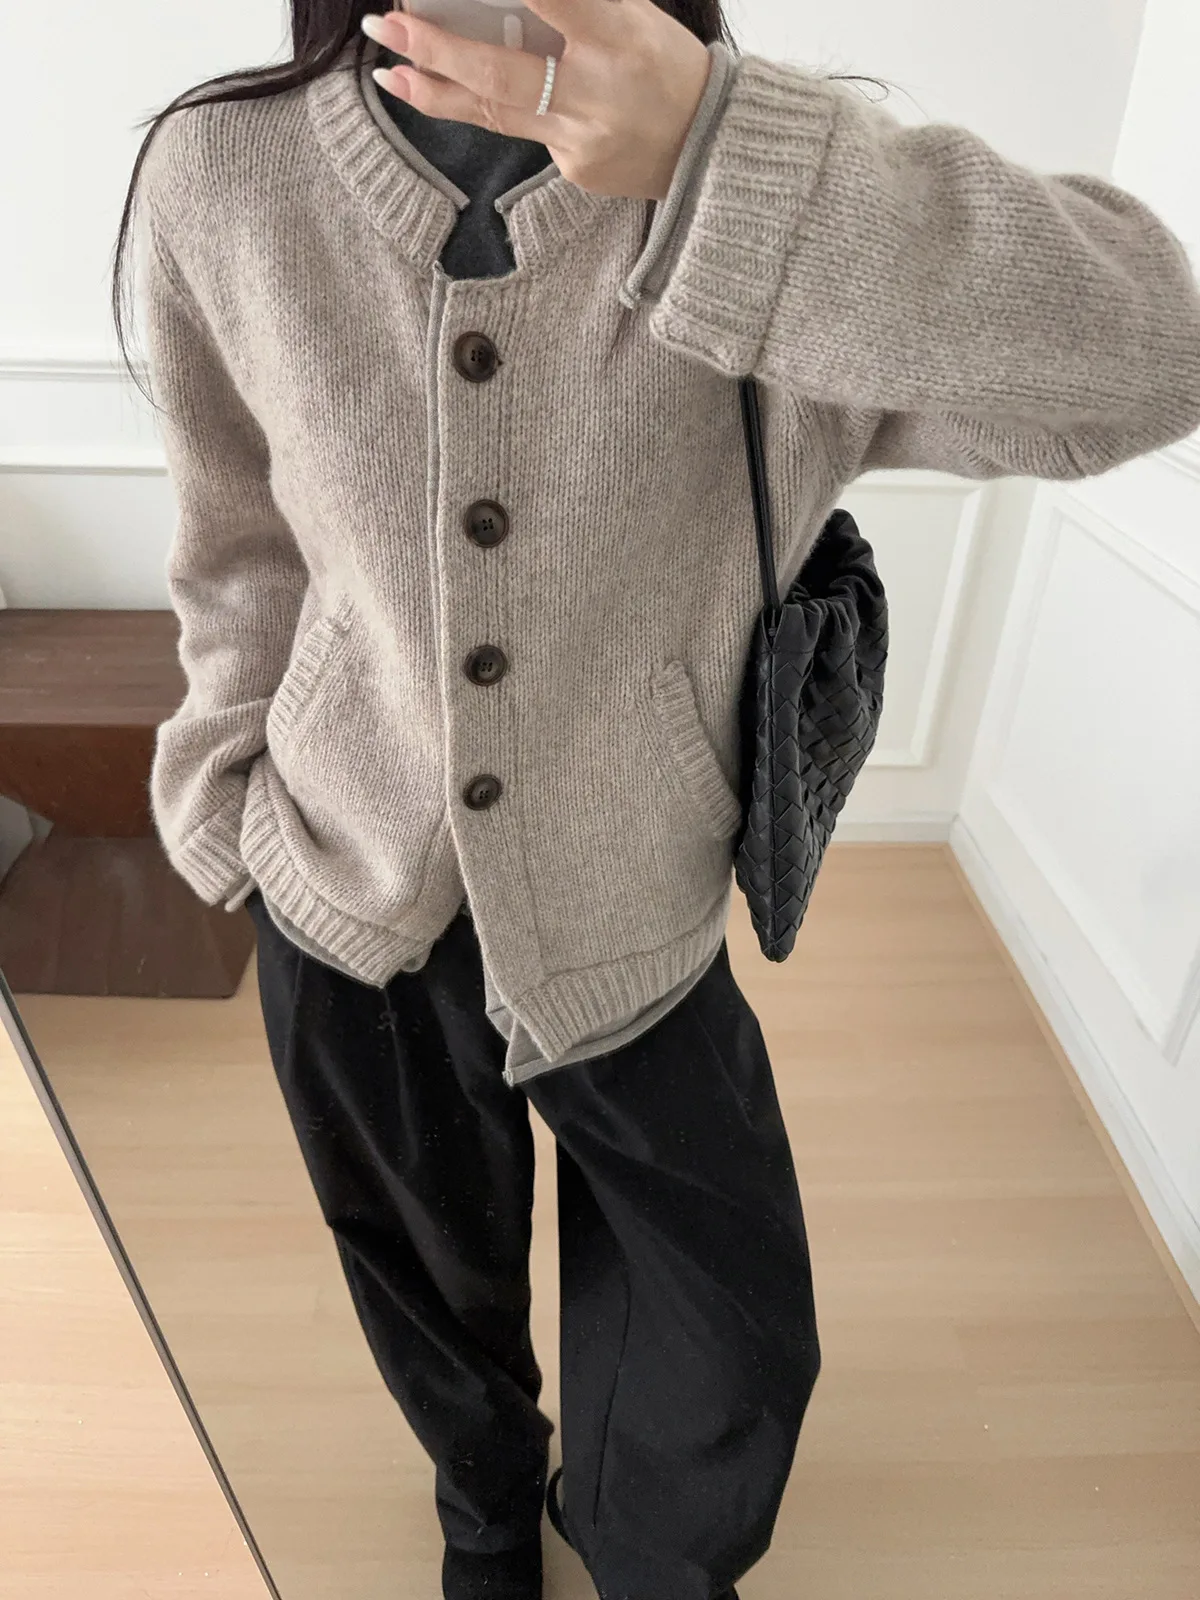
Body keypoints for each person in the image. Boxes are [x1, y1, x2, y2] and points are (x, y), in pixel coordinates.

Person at [110, 3, 1200, 1598]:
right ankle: (487, 1503)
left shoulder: (767, 180)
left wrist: (721, 153)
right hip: (350, 878)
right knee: (423, 1270)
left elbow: (1158, 355)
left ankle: (643, 1556)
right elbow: (237, 540)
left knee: (726, 1344)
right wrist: (225, 788)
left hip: (635, 902)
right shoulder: (226, 172)